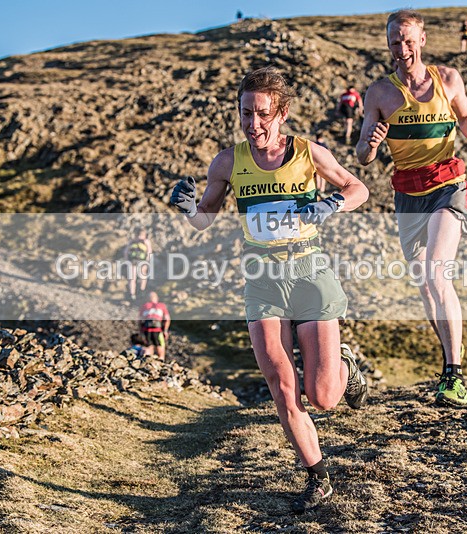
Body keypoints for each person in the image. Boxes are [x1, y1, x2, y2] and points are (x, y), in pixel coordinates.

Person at [170, 66, 370, 513]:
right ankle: (317, 477)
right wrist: (188, 209)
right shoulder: (227, 163)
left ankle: (344, 364)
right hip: (262, 280)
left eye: (262, 114)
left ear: (281, 113)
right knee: (283, 388)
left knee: (322, 397)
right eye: (246, 113)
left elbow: (359, 188)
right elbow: (206, 217)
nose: (253, 124)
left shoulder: (307, 153)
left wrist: (333, 202)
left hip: (309, 273)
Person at [357, 10, 467, 408]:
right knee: (427, 287)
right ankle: (448, 365)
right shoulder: (380, 93)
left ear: (423, 40)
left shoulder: (447, 78)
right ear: (388, 46)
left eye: (408, 40)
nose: (402, 48)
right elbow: (362, 154)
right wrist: (374, 143)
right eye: (395, 42)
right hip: (407, 196)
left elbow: (466, 115)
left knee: (437, 270)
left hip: (448, 184)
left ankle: (454, 374)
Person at [123, 226, 152, 302]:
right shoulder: (145, 241)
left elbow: (126, 252)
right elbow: (149, 252)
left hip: (134, 261)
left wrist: (127, 260)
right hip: (139, 261)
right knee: (139, 277)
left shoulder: (133, 241)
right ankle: (139, 292)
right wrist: (147, 261)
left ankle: (133, 293)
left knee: (133, 278)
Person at [139, 291, 170, 360]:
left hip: (147, 329)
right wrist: (165, 330)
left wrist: (141, 331)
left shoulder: (144, 306)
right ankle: (161, 361)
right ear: (157, 298)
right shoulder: (161, 306)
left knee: (149, 346)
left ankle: (147, 362)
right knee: (160, 346)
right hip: (158, 329)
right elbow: (167, 319)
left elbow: (140, 320)